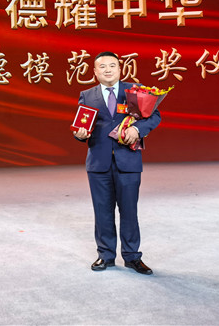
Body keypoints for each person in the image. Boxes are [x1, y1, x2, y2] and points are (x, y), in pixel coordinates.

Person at [73, 51, 161, 275]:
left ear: (120, 69)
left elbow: (154, 116)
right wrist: (79, 134)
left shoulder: (134, 91)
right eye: (102, 67)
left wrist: (137, 129)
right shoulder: (87, 95)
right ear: (95, 72)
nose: (108, 70)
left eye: (112, 65)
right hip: (98, 163)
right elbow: (81, 125)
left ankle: (132, 257)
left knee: (129, 211)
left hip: (128, 161)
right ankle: (105, 255)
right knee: (102, 211)